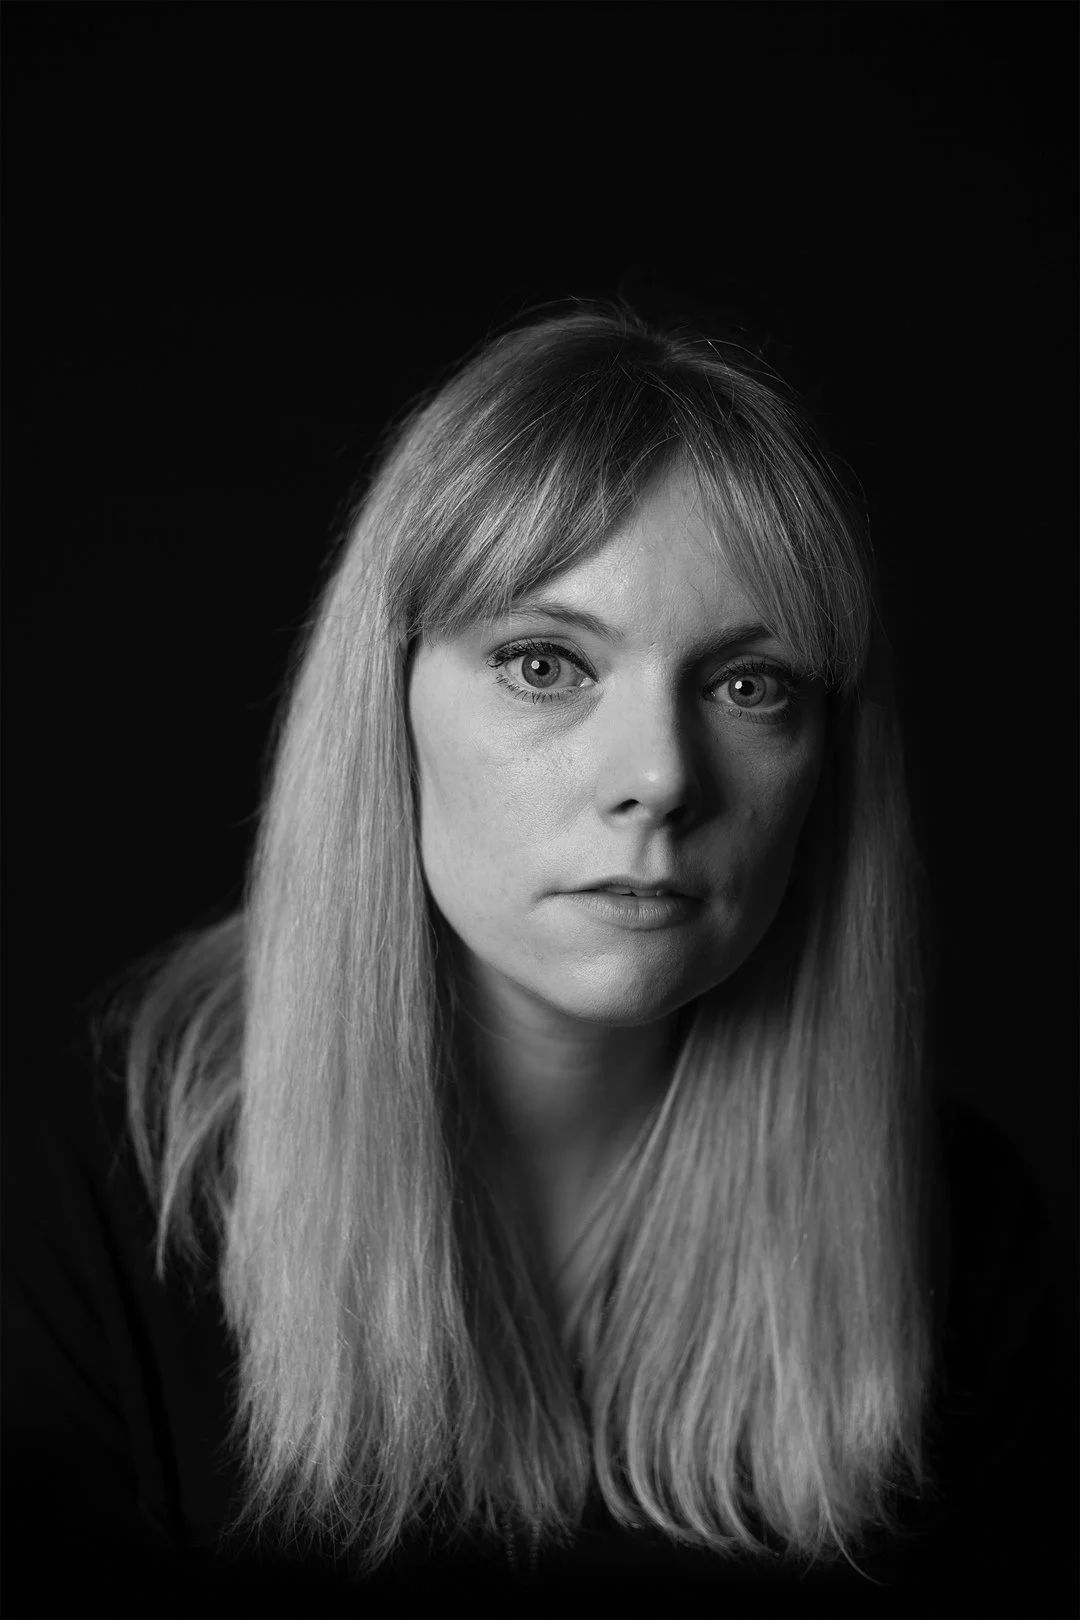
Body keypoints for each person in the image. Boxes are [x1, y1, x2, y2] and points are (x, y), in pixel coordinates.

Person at [4, 298, 1075, 1620]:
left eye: (751, 686)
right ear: (385, 707)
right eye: (544, 663)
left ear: (830, 768)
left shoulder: (959, 1241)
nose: (660, 778)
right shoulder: (91, 1194)